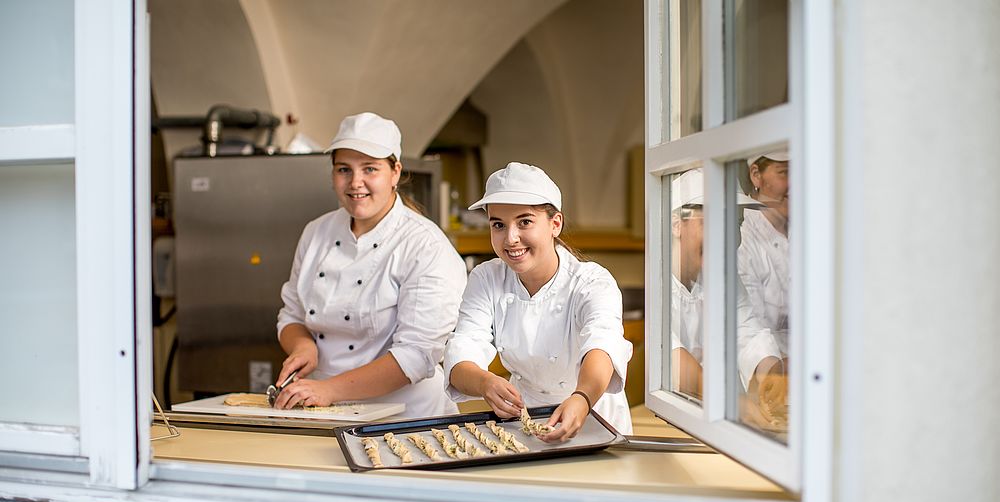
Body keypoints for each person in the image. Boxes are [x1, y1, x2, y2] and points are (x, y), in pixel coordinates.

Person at [273, 112, 467, 417]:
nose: (355, 183)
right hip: (320, 409)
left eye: (370, 169)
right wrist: (303, 347)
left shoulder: (425, 245)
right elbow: (292, 314)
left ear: (395, 172)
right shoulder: (316, 232)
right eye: (343, 170)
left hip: (405, 417)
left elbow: (416, 355)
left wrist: (330, 390)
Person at [443, 162, 633, 440]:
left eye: (525, 222)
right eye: (498, 224)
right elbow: (463, 349)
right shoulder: (486, 278)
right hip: (524, 419)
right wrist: (484, 383)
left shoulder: (591, 281)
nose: (511, 238)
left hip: (594, 414)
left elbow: (602, 345)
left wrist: (581, 397)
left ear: (555, 224)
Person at [669, 169, 786, 424]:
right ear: (677, 224)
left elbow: (748, 334)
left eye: (736, 223)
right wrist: (729, 401)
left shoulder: (723, 279)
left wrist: (770, 375)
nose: (727, 238)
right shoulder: (657, 283)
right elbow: (672, 359)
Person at [738, 152, 790, 354]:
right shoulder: (742, 236)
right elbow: (749, 331)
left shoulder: (809, 229)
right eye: (784, 172)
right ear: (756, 175)